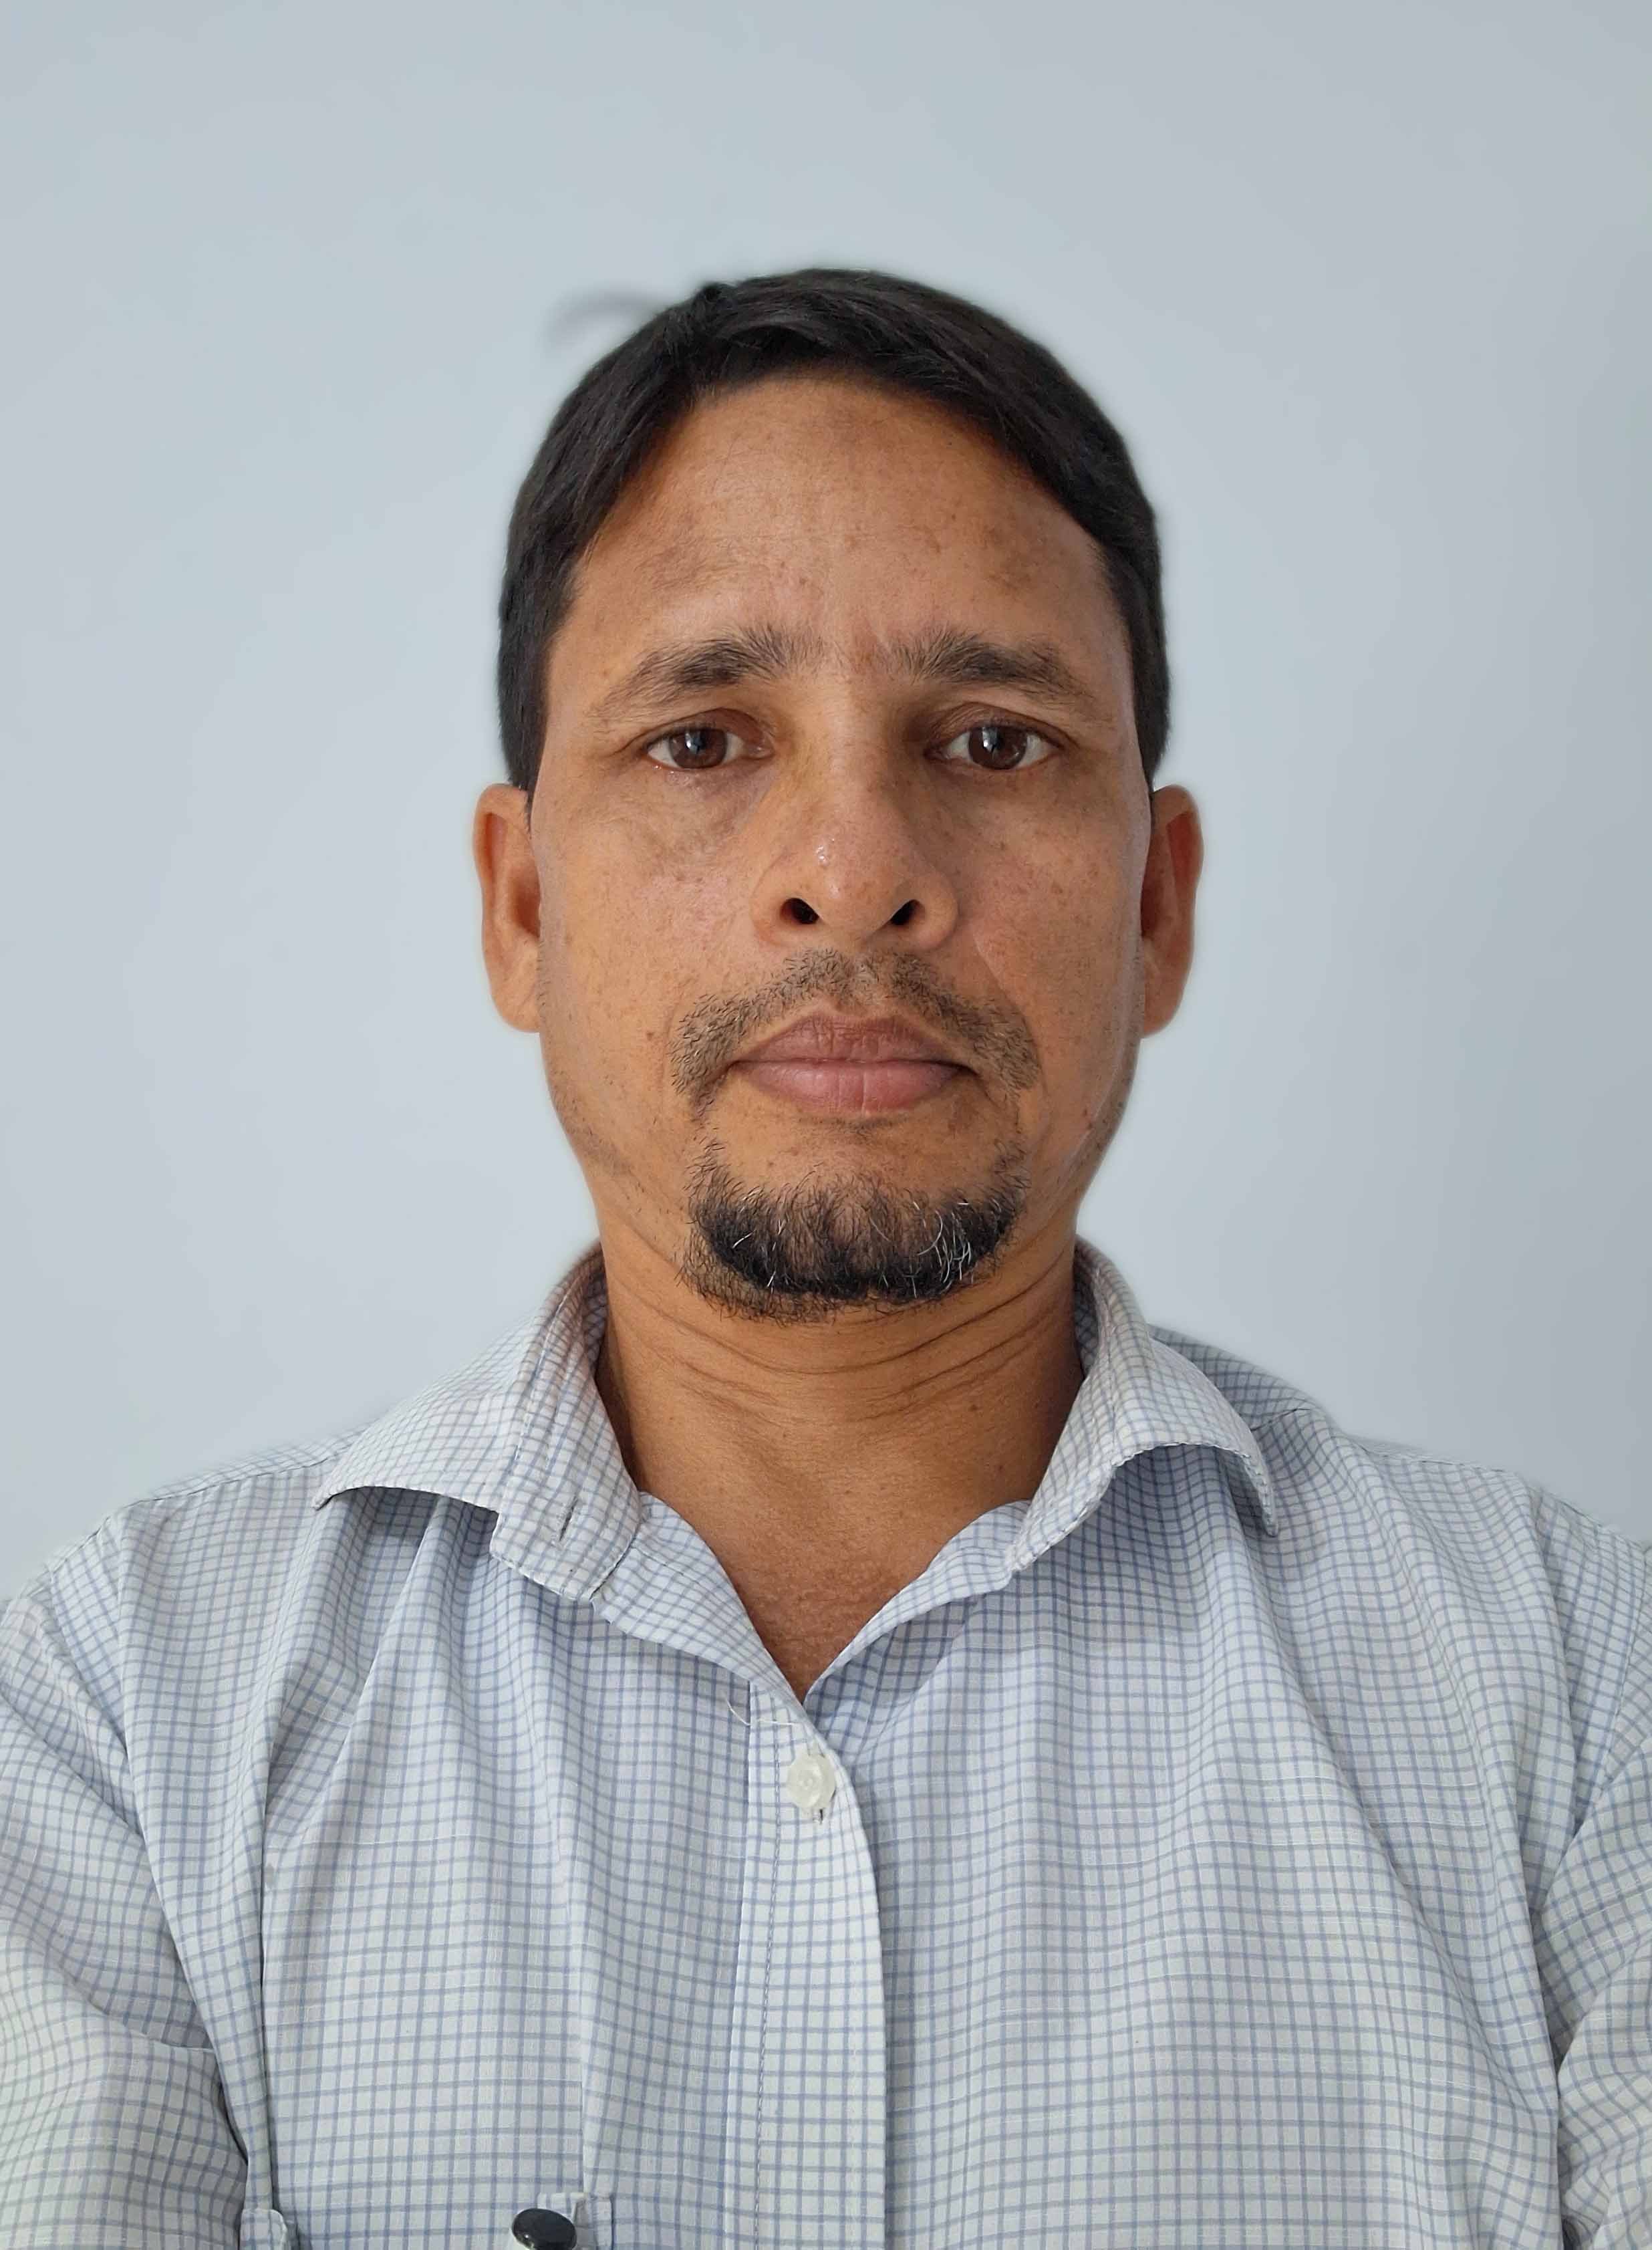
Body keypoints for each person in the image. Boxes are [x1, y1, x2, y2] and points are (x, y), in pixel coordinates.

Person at [2, 268, 1646, 2250]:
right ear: (522, 910)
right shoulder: (132, 1715)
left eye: (994, 739)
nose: (854, 872)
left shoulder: (1575, 1695)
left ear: (1159, 907)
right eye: (703, 740)